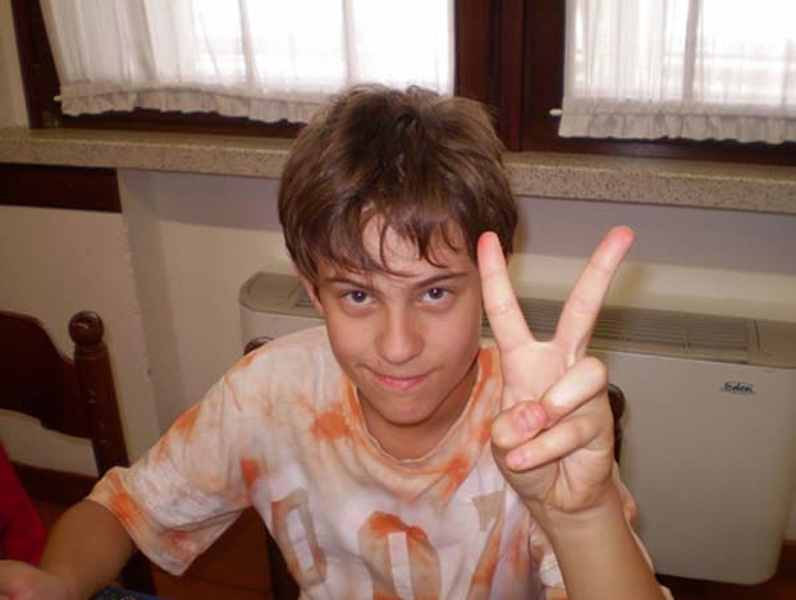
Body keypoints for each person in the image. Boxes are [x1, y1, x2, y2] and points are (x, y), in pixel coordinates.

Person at [0, 86, 669, 600]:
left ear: (490, 284)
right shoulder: (271, 393)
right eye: (358, 295)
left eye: (436, 292)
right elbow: (123, 510)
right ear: (313, 291)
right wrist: (58, 582)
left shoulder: (534, 429)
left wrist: (583, 517)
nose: (398, 346)